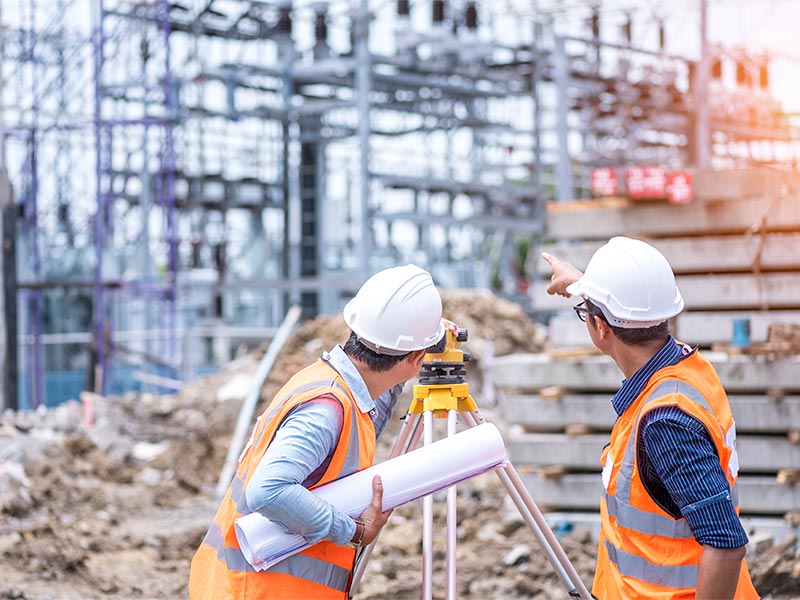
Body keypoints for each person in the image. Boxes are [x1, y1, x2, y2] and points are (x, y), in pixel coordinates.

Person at [189, 264, 453, 600]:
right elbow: (267, 491)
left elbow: (371, 404)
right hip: (255, 591)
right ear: (417, 357)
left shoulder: (334, 384)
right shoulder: (326, 408)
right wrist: (354, 531)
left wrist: (423, 340)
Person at [543, 236, 758, 600]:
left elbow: (725, 543)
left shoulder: (666, 422)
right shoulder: (686, 369)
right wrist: (585, 286)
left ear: (600, 328)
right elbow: (629, 306)